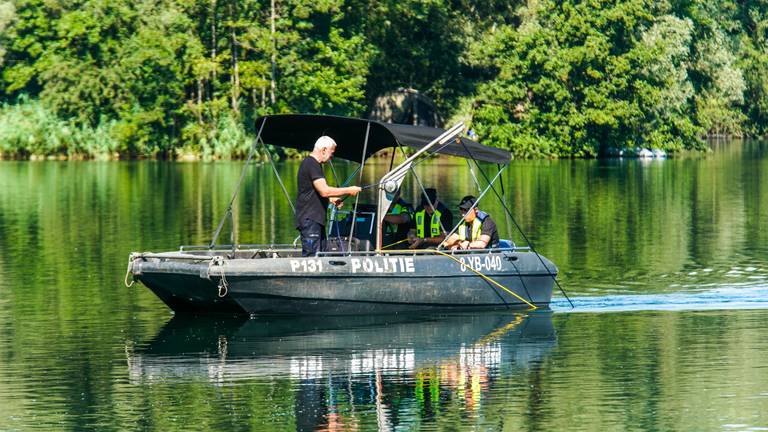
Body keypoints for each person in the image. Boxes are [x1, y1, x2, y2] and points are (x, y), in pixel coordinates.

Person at [295, 136, 362, 256]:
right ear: (324, 150)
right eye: (332, 152)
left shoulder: (314, 164)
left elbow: (313, 191)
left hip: (316, 220)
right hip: (310, 220)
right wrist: (349, 190)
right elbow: (324, 191)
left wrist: (331, 199)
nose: (332, 156)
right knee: (312, 258)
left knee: (321, 256)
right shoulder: (311, 164)